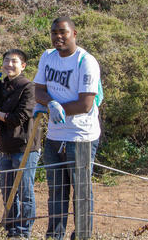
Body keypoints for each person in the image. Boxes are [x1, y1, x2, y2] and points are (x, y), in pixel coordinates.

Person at [33, 16, 102, 239]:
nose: (58, 37)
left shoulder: (85, 61)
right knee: (56, 193)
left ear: (74, 34)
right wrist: (50, 103)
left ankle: (82, 235)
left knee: (81, 193)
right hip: (54, 136)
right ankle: (55, 236)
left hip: (81, 136)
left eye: (63, 32)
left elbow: (85, 104)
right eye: (54, 33)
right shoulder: (47, 57)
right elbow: (39, 91)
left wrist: (56, 107)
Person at [0, 49, 41, 238]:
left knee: (24, 192)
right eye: (6, 61)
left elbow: (19, 117)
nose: (9, 65)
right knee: (8, 192)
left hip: (24, 147)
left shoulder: (29, 87)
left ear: (23, 66)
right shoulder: (2, 85)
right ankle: (10, 229)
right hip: (5, 147)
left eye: (14, 61)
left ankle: (23, 232)